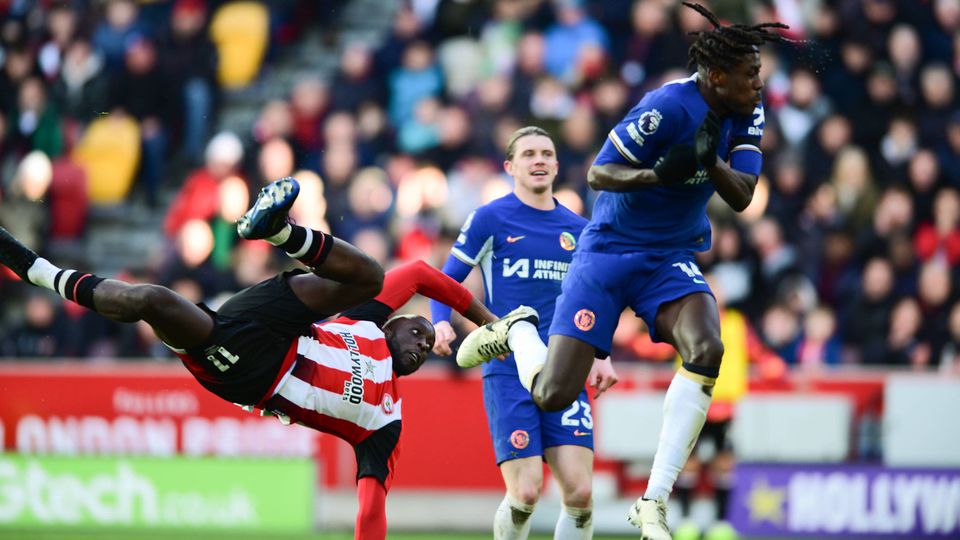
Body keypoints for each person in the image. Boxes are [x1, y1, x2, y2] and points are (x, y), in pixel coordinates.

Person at [0, 176, 498, 540]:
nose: (418, 344)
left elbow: (371, 506)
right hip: (278, 324)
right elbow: (417, 272)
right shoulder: (368, 320)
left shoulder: (385, 420)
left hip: (253, 372)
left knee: (154, 302)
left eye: (423, 345)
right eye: (416, 330)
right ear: (393, 322)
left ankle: (36, 271)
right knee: (368, 275)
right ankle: (279, 231)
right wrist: (485, 321)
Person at [455, 4, 787, 539]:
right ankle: (516, 332)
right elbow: (599, 172)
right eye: (750, 74)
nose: (759, 83)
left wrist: (711, 163)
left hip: (668, 254)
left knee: (708, 349)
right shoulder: (666, 106)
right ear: (718, 76)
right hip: (608, 252)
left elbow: (744, 196)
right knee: (551, 395)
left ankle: (653, 500)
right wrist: (659, 174)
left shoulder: (748, 108)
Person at [430, 126, 619, 540]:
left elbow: (595, 299)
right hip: (508, 369)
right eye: (529, 154)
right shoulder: (490, 219)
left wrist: (601, 354)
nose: (539, 160)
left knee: (581, 491)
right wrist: (441, 320)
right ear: (510, 167)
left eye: (546, 154)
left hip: (565, 369)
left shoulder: (580, 230)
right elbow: (446, 280)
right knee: (527, 490)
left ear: (556, 164)